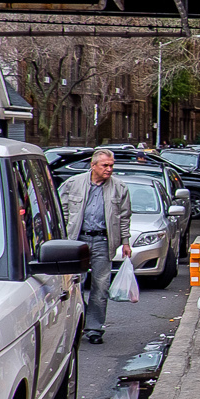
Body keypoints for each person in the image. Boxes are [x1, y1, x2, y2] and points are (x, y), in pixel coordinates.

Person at [58, 148, 133, 345]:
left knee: (101, 287)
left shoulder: (119, 187)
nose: (109, 169)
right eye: (105, 165)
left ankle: (94, 329)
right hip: (77, 241)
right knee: (75, 285)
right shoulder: (73, 184)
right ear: (93, 166)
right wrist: (62, 237)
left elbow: (124, 217)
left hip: (103, 241)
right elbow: (60, 210)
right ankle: (75, 325)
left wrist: (125, 242)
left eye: (111, 165)